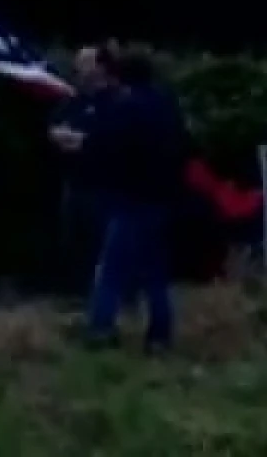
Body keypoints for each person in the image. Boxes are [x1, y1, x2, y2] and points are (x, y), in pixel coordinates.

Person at [51, 45, 187, 352]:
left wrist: (80, 144)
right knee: (155, 273)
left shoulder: (128, 107)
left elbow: (111, 144)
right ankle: (160, 336)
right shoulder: (166, 104)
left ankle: (100, 329)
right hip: (162, 198)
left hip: (131, 197)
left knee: (111, 269)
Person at [52, 44, 119, 294]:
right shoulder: (73, 100)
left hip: (103, 185)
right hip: (75, 182)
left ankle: (107, 295)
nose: (79, 67)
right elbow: (56, 128)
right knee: (73, 241)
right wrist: (73, 139)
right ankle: (75, 294)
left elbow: (104, 139)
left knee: (102, 242)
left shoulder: (114, 100)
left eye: (86, 62)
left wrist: (82, 140)